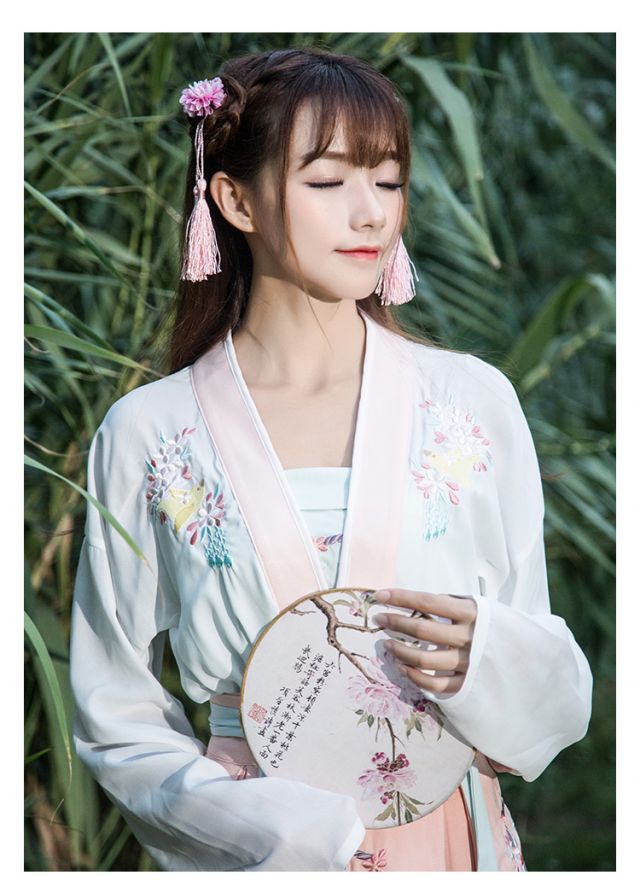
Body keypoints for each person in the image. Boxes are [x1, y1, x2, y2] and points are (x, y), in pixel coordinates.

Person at [69, 47, 593, 872]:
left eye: (388, 181)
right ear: (235, 199)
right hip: (262, 846)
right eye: (328, 181)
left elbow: (547, 666)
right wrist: (262, 823)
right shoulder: (149, 432)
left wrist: (485, 656)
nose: (372, 213)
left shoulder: (471, 403)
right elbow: (115, 712)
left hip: (451, 840)